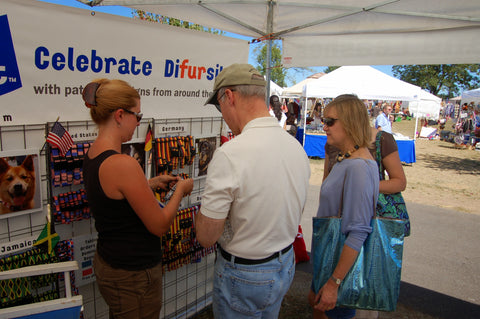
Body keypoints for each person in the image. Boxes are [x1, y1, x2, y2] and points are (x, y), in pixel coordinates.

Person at [196, 63, 311, 318]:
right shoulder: (295, 148)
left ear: (229, 96)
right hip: (283, 263)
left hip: (246, 274)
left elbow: (206, 236)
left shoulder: (231, 154)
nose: (222, 114)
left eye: (218, 105)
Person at [81, 78, 193, 319]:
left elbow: (112, 197)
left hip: (111, 262)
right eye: (138, 116)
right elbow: (160, 225)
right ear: (120, 115)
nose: (138, 123)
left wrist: (148, 184)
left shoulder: (94, 153)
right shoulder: (123, 163)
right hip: (132, 274)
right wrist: (181, 190)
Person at [308, 94, 379, 319]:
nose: (324, 126)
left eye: (330, 121)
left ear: (349, 123)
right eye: (324, 120)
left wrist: (333, 283)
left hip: (337, 268)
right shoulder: (347, 159)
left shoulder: (358, 166)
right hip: (329, 260)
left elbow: (358, 232)